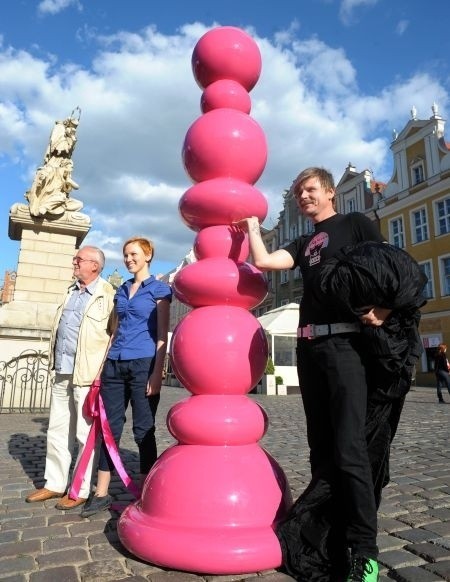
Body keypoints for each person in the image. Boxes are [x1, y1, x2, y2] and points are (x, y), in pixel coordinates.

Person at [241, 167, 426, 582]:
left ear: (329, 193)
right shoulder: (305, 241)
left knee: (351, 451)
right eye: (297, 192)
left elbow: (391, 266)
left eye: (310, 190)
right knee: (321, 450)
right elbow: (265, 261)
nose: (303, 196)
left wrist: (388, 309)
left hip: (346, 347)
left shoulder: (355, 222)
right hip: (310, 348)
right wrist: (253, 225)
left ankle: (364, 554)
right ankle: (326, 536)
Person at [80, 237, 172, 518]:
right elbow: (113, 332)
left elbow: (161, 336)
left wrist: (157, 372)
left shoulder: (160, 290)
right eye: (125, 255)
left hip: (143, 364)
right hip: (115, 364)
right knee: (110, 430)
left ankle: (146, 494)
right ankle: (101, 493)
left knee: (143, 429)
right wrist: (101, 369)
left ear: (147, 255)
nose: (128, 259)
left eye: (133, 254)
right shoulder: (120, 290)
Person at [26, 246, 116, 509]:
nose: (74, 263)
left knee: (83, 433)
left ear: (95, 266)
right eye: (75, 259)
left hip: (87, 374)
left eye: (79, 260)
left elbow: (112, 336)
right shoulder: (70, 292)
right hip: (62, 369)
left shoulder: (107, 295)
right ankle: (54, 483)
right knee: (57, 429)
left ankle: (79, 488)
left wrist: (101, 372)